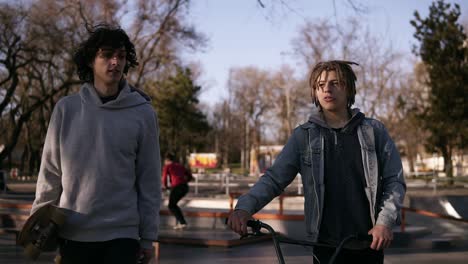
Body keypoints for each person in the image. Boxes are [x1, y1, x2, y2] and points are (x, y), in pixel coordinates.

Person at [227, 60, 406, 264]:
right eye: (320, 85)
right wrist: (244, 208)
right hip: (324, 247)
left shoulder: (374, 131)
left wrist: (384, 223)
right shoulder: (303, 136)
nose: (327, 89)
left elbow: (395, 181)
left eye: (335, 83)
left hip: (368, 244)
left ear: (349, 88)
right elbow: (274, 179)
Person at [31, 24, 161, 264]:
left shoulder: (143, 113)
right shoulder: (66, 109)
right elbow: (50, 171)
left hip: (123, 235)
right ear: (91, 60)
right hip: (73, 232)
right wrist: (38, 221)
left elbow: (149, 180)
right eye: (107, 55)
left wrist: (148, 237)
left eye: (121, 56)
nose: (115, 62)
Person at [162, 153, 192, 230]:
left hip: (177, 187)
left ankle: (182, 223)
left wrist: (165, 186)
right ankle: (182, 222)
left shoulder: (167, 166)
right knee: (173, 205)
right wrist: (185, 181)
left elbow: (164, 177)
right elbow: (190, 176)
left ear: (167, 160)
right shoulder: (180, 166)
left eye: (165, 161)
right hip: (185, 187)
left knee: (171, 205)